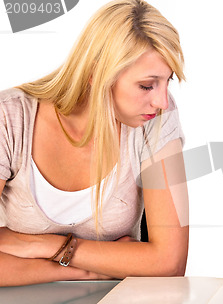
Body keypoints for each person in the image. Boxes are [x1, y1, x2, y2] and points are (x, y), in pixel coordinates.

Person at [0, 0, 189, 286]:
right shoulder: (11, 117)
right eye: (147, 85)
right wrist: (91, 270)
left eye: (168, 82)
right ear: (97, 75)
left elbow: (170, 262)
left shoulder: (157, 118)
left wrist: (47, 246)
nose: (162, 101)